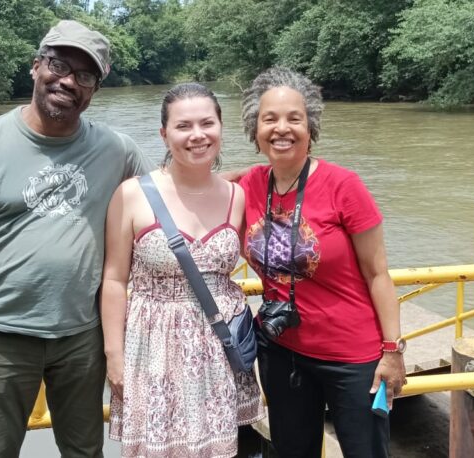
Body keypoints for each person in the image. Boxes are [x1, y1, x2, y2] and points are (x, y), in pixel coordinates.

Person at [0, 20, 154, 458]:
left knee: (85, 452)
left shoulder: (117, 151)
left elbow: (166, 201)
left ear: (95, 90)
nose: (67, 81)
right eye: (59, 65)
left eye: (84, 75)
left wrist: (243, 186)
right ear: (35, 67)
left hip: (83, 338)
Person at [238, 67, 407, 458]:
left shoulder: (343, 186)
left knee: (364, 451)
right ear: (255, 129)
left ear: (310, 127)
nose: (282, 128)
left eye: (294, 118)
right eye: (270, 119)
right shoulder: (249, 184)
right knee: (291, 450)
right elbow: (196, 188)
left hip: (352, 356)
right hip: (281, 350)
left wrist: (393, 351)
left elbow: (378, 273)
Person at [101, 83, 263, 457]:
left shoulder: (236, 196)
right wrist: (114, 356)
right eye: (183, 126)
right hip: (153, 346)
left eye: (207, 123)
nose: (197, 135)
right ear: (164, 134)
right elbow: (113, 280)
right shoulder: (131, 194)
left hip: (220, 347)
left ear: (221, 128)